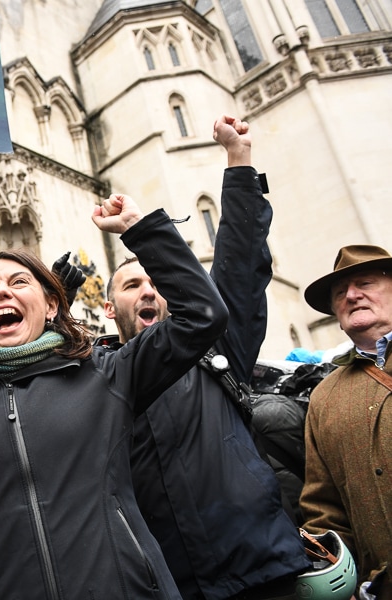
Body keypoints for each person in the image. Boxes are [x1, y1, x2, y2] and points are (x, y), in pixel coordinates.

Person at [0, 193, 229, 599]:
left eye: (18, 282)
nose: (0, 292)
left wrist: (142, 231)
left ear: (53, 304)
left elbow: (203, 315)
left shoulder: (106, 373)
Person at [101, 116, 309, 599]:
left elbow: (241, 258)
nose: (147, 291)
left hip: (263, 575)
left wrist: (239, 160)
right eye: (132, 286)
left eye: (156, 282)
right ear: (110, 308)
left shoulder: (217, 350)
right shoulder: (101, 379)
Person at [300, 244, 392, 600]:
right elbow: (323, 509)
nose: (352, 295)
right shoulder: (323, 397)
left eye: (365, 283)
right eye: (341, 293)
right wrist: (338, 570)